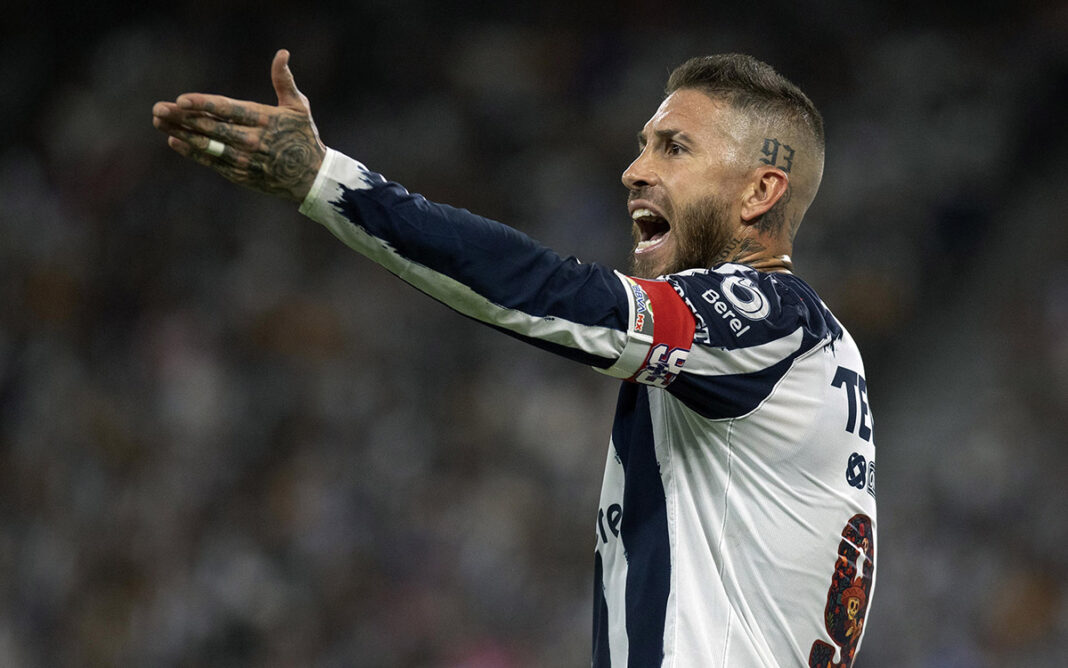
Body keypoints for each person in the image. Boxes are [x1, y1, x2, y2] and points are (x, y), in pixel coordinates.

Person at [152, 49, 877, 667]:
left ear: (760, 191)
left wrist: (327, 180)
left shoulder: (769, 319)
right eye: (644, 143)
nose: (633, 169)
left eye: (674, 148)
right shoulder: (807, 348)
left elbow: (553, 293)